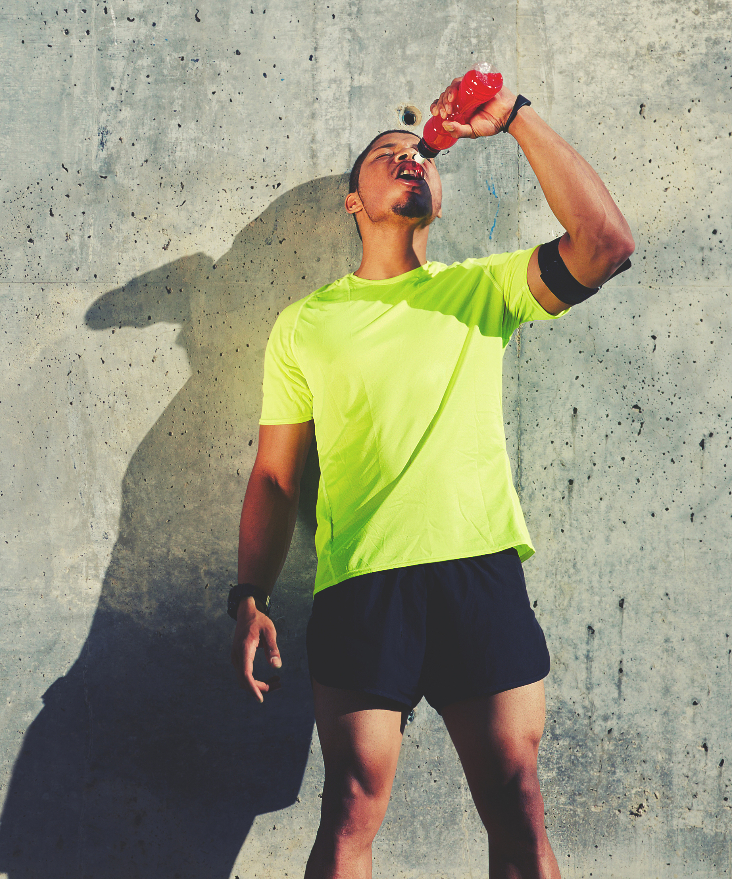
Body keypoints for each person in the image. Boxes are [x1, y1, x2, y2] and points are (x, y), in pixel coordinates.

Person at [228, 76, 635, 879]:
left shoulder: (480, 290)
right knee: (349, 809)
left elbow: (607, 243)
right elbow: (276, 476)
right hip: (363, 582)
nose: (409, 157)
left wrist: (515, 119)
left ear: (439, 198)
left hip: (476, 570)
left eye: (419, 154)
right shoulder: (305, 323)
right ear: (354, 201)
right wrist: (250, 594)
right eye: (388, 155)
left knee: (519, 802)